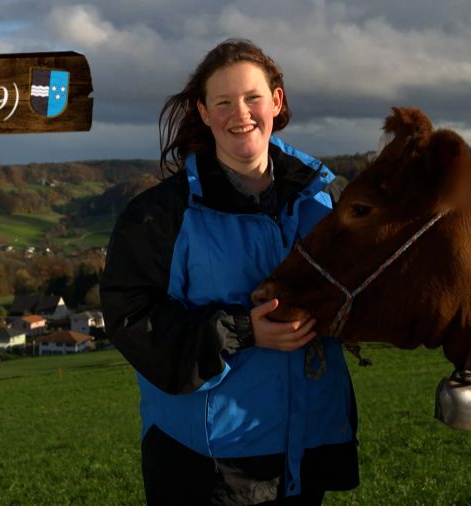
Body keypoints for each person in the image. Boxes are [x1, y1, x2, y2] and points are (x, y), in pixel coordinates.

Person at [100, 39, 358, 505]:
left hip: (307, 447)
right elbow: (131, 319)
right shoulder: (161, 215)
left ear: (276, 102)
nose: (241, 113)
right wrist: (244, 331)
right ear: (203, 112)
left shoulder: (323, 202)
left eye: (253, 98)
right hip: (208, 466)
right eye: (223, 102)